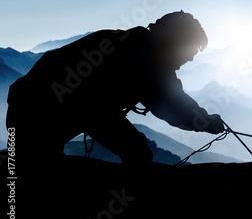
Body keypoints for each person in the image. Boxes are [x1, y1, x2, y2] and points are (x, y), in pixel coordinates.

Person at [6, 11, 225, 172]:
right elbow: (172, 104)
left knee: (32, 168)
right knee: (137, 152)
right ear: (174, 43)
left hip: (28, 105)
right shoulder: (144, 62)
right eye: (190, 51)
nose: (191, 59)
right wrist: (207, 122)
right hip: (42, 111)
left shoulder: (126, 44)